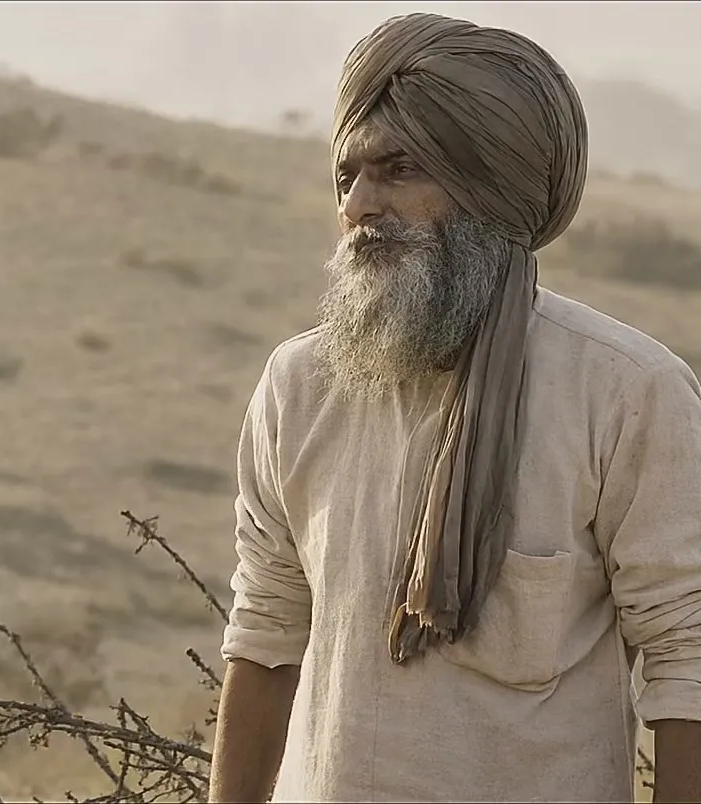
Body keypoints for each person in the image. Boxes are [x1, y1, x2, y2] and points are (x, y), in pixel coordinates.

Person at [209, 12, 701, 803]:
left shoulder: (626, 390)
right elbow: (266, 631)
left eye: (398, 169)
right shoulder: (300, 386)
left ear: (486, 190)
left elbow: (687, 658)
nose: (359, 205)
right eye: (347, 177)